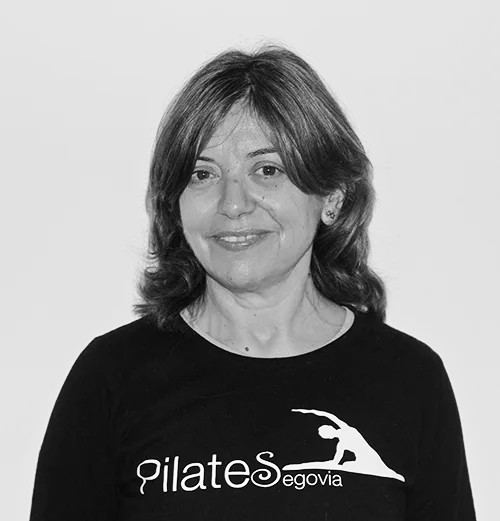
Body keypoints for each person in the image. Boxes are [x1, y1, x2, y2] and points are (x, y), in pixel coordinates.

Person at [29, 45, 476, 520]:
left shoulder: (410, 379)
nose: (233, 204)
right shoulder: (112, 377)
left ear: (331, 197)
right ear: (175, 206)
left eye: (267, 170)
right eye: (202, 174)